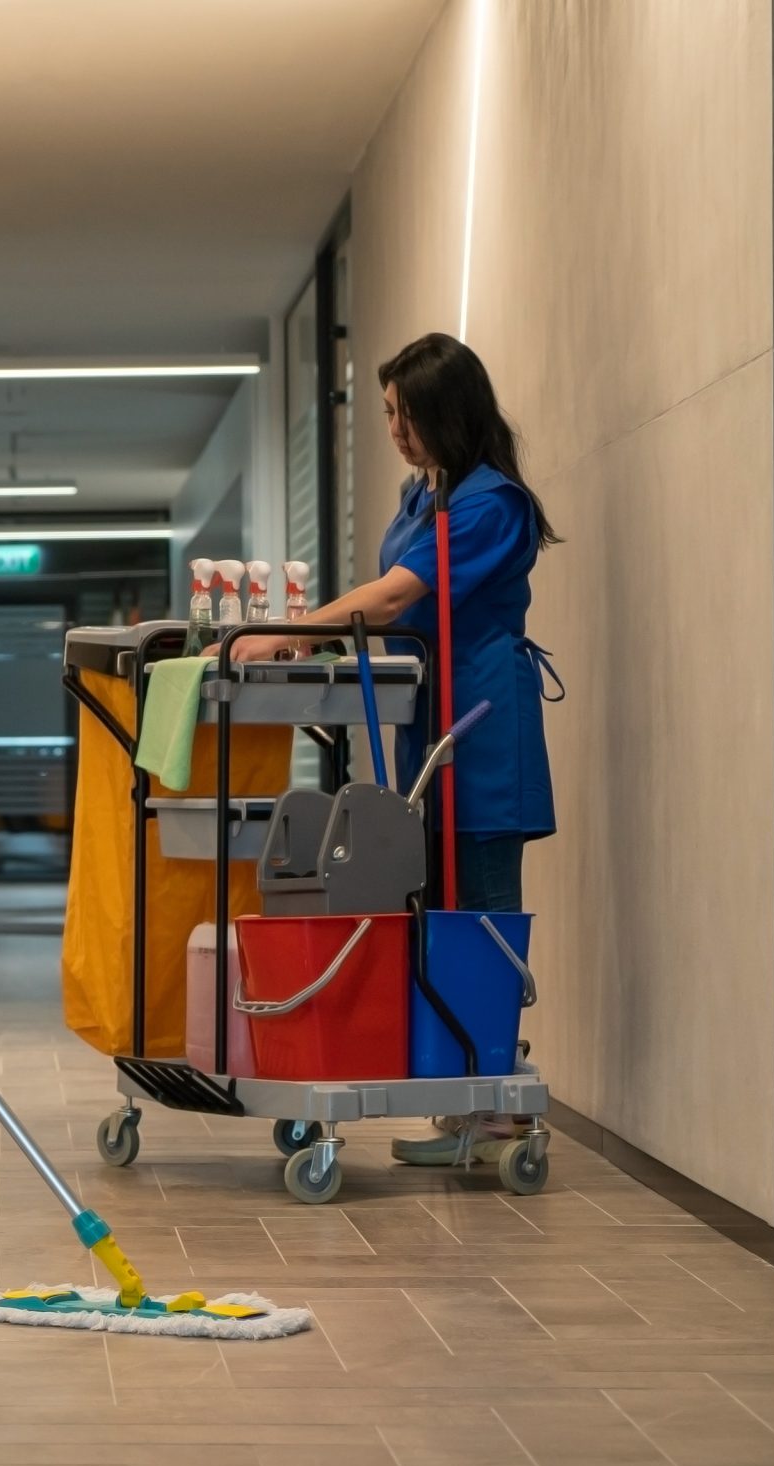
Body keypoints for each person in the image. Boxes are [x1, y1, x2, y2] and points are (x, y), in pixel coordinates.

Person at [223, 332, 560, 1163]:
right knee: (432, 908)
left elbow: (403, 590)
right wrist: (322, 640)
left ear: (447, 413)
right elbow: (391, 601)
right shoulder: (426, 496)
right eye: (385, 414)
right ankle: (461, 1095)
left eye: (404, 414)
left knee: (476, 910)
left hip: (481, 729)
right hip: (424, 721)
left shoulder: (491, 502)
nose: (395, 431)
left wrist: (293, 630)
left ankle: (495, 1105)